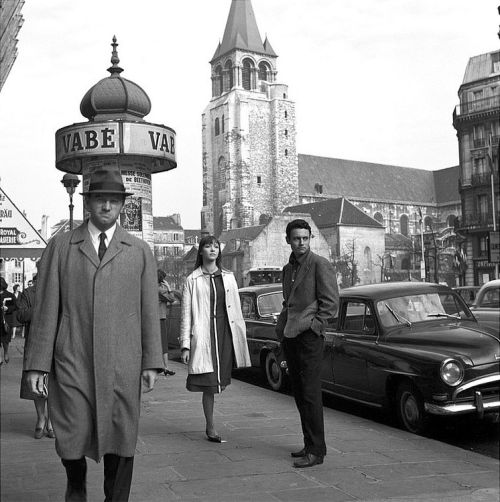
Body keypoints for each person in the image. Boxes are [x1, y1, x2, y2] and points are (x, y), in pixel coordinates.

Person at [24, 167, 163, 502]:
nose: (106, 206)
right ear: (88, 203)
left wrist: (151, 361)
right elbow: (45, 310)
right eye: (100, 199)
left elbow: (148, 310)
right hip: (73, 357)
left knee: (122, 431)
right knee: (70, 434)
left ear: (121, 205)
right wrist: (37, 365)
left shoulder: (139, 250)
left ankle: (116, 498)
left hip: (122, 360)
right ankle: (76, 483)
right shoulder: (61, 246)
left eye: (113, 200)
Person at [276, 219, 339, 468]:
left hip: (310, 337)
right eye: (296, 238)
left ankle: (317, 451)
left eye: (305, 238)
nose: (301, 243)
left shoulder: (319, 265)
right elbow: (287, 303)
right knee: (300, 392)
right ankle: (308, 444)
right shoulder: (287, 269)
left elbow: (331, 305)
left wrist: (315, 328)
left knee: (311, 393)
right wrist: (282, 330)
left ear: (310, 238)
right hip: (291, 336)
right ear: (288, 240)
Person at [180, 235, 251, 443]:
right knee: (209, 384)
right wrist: (185, 345)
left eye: (216, 246)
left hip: (224, 332)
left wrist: (239, 336)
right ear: (200, 251)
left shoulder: (228, 277)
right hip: (204, 334)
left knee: (220, 381)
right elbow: (186, 314)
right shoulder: (192, 279)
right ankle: (210, 426)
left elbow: (236, 310)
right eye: (208, 246)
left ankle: (211, 424)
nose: (213, 249)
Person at [17, 274, 55, 439]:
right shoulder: (28, 293)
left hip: (56, 344)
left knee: (54, 384)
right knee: (37, 385)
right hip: (35, 343)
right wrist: (41, 307)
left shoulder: (59, 292)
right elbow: (20, 315)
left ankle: (51, 423)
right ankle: (41, 419)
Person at [158, 269, 176, 376]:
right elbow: (172, 298)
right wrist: (169, 287)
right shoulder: (160, 290)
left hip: (153, 318)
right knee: (164, 343)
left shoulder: (151, 288)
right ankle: (166, 367)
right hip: (160, 318)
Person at [1, 277, 16, 365]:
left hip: (6, 320)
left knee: (5, 339)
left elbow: (15, 306)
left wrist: (7, 309)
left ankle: (6, 351)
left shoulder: (9, 295)